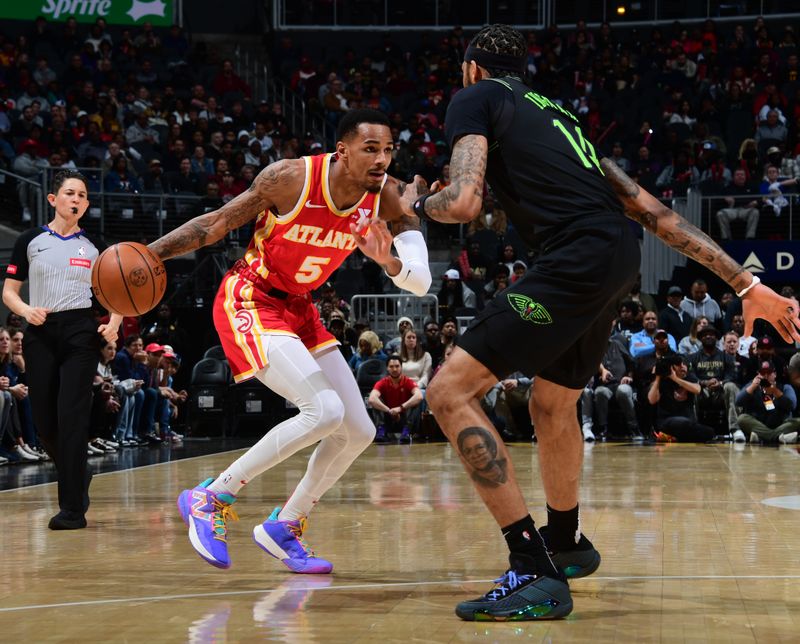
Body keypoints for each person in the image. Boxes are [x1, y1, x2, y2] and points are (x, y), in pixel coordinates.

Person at [411, 24, 800, 621]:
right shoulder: (563, 121)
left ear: (470, 70)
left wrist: (417, 204)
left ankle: (532, 568)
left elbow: (462, 202)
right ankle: (564, 542)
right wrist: (746, 283)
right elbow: (652, 211)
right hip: (617, 260)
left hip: (574, 259)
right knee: (552, 398)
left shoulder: (475, 98)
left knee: (447, 391)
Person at [148, 109, 431, 572]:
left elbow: (419, 282)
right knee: (325, 412)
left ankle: (287, 525)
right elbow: (216, 224)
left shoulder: (391, 197)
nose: (382, 159)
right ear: (342, 152)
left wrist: (390, 263)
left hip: (300, 310)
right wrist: (151, 253)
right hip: (251, 298)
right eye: (371, 149)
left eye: (388, 149)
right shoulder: (290, 178)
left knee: (358, 430)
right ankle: (211, 497)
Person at [2, 170, 121, 530]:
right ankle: (77, 471)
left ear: (86, 205)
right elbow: (8, 291)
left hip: (81, 332)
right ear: (53, 199)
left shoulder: (96, 245)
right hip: (40, 330)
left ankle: (72, 508)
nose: (77, 199)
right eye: (70, 193)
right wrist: (25, 311)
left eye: (83, 195)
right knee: (44, 420)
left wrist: (114, 324)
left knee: (72, 417)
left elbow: (118, 290)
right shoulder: (30, 240)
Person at [648, 354, 715, 443]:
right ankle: (673, 436)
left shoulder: (690, 377)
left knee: (710, 432)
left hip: (688, 422)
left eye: (684, 364)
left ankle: (674, 438)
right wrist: (657, 378)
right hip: (667, 421)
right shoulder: (664, 380)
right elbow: (652, 400)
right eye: (679, 364)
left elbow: (697, 389)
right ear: (672, 367)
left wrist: (675, 378)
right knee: (683, 423)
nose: (682, 366)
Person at [736, 360, 799, 443]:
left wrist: (775, 391)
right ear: (758, 374)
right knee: (741, 419)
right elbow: (738, 401)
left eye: (769, 372)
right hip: (759, 424)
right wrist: (752, 386)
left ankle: (761, 437)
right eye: (762, 373)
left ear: (775, 374)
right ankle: (778, 438)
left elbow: (792, 406)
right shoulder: (753, 386)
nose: (765, 376)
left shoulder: (785, 387)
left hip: (781, 424)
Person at [368, 355, 424, 444]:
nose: (394, 369)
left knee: (416, 401)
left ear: (401, 367)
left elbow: (419, 396)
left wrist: (400, 408)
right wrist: (389, 410)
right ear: (387, 368)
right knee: (376, 401)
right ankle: (381, 431)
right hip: (387, 417)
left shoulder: (408, 381)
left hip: (404, 418)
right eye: (391, 366)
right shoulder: (382, 383)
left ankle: (407, 432)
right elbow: (371, 399)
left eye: (397, 366)